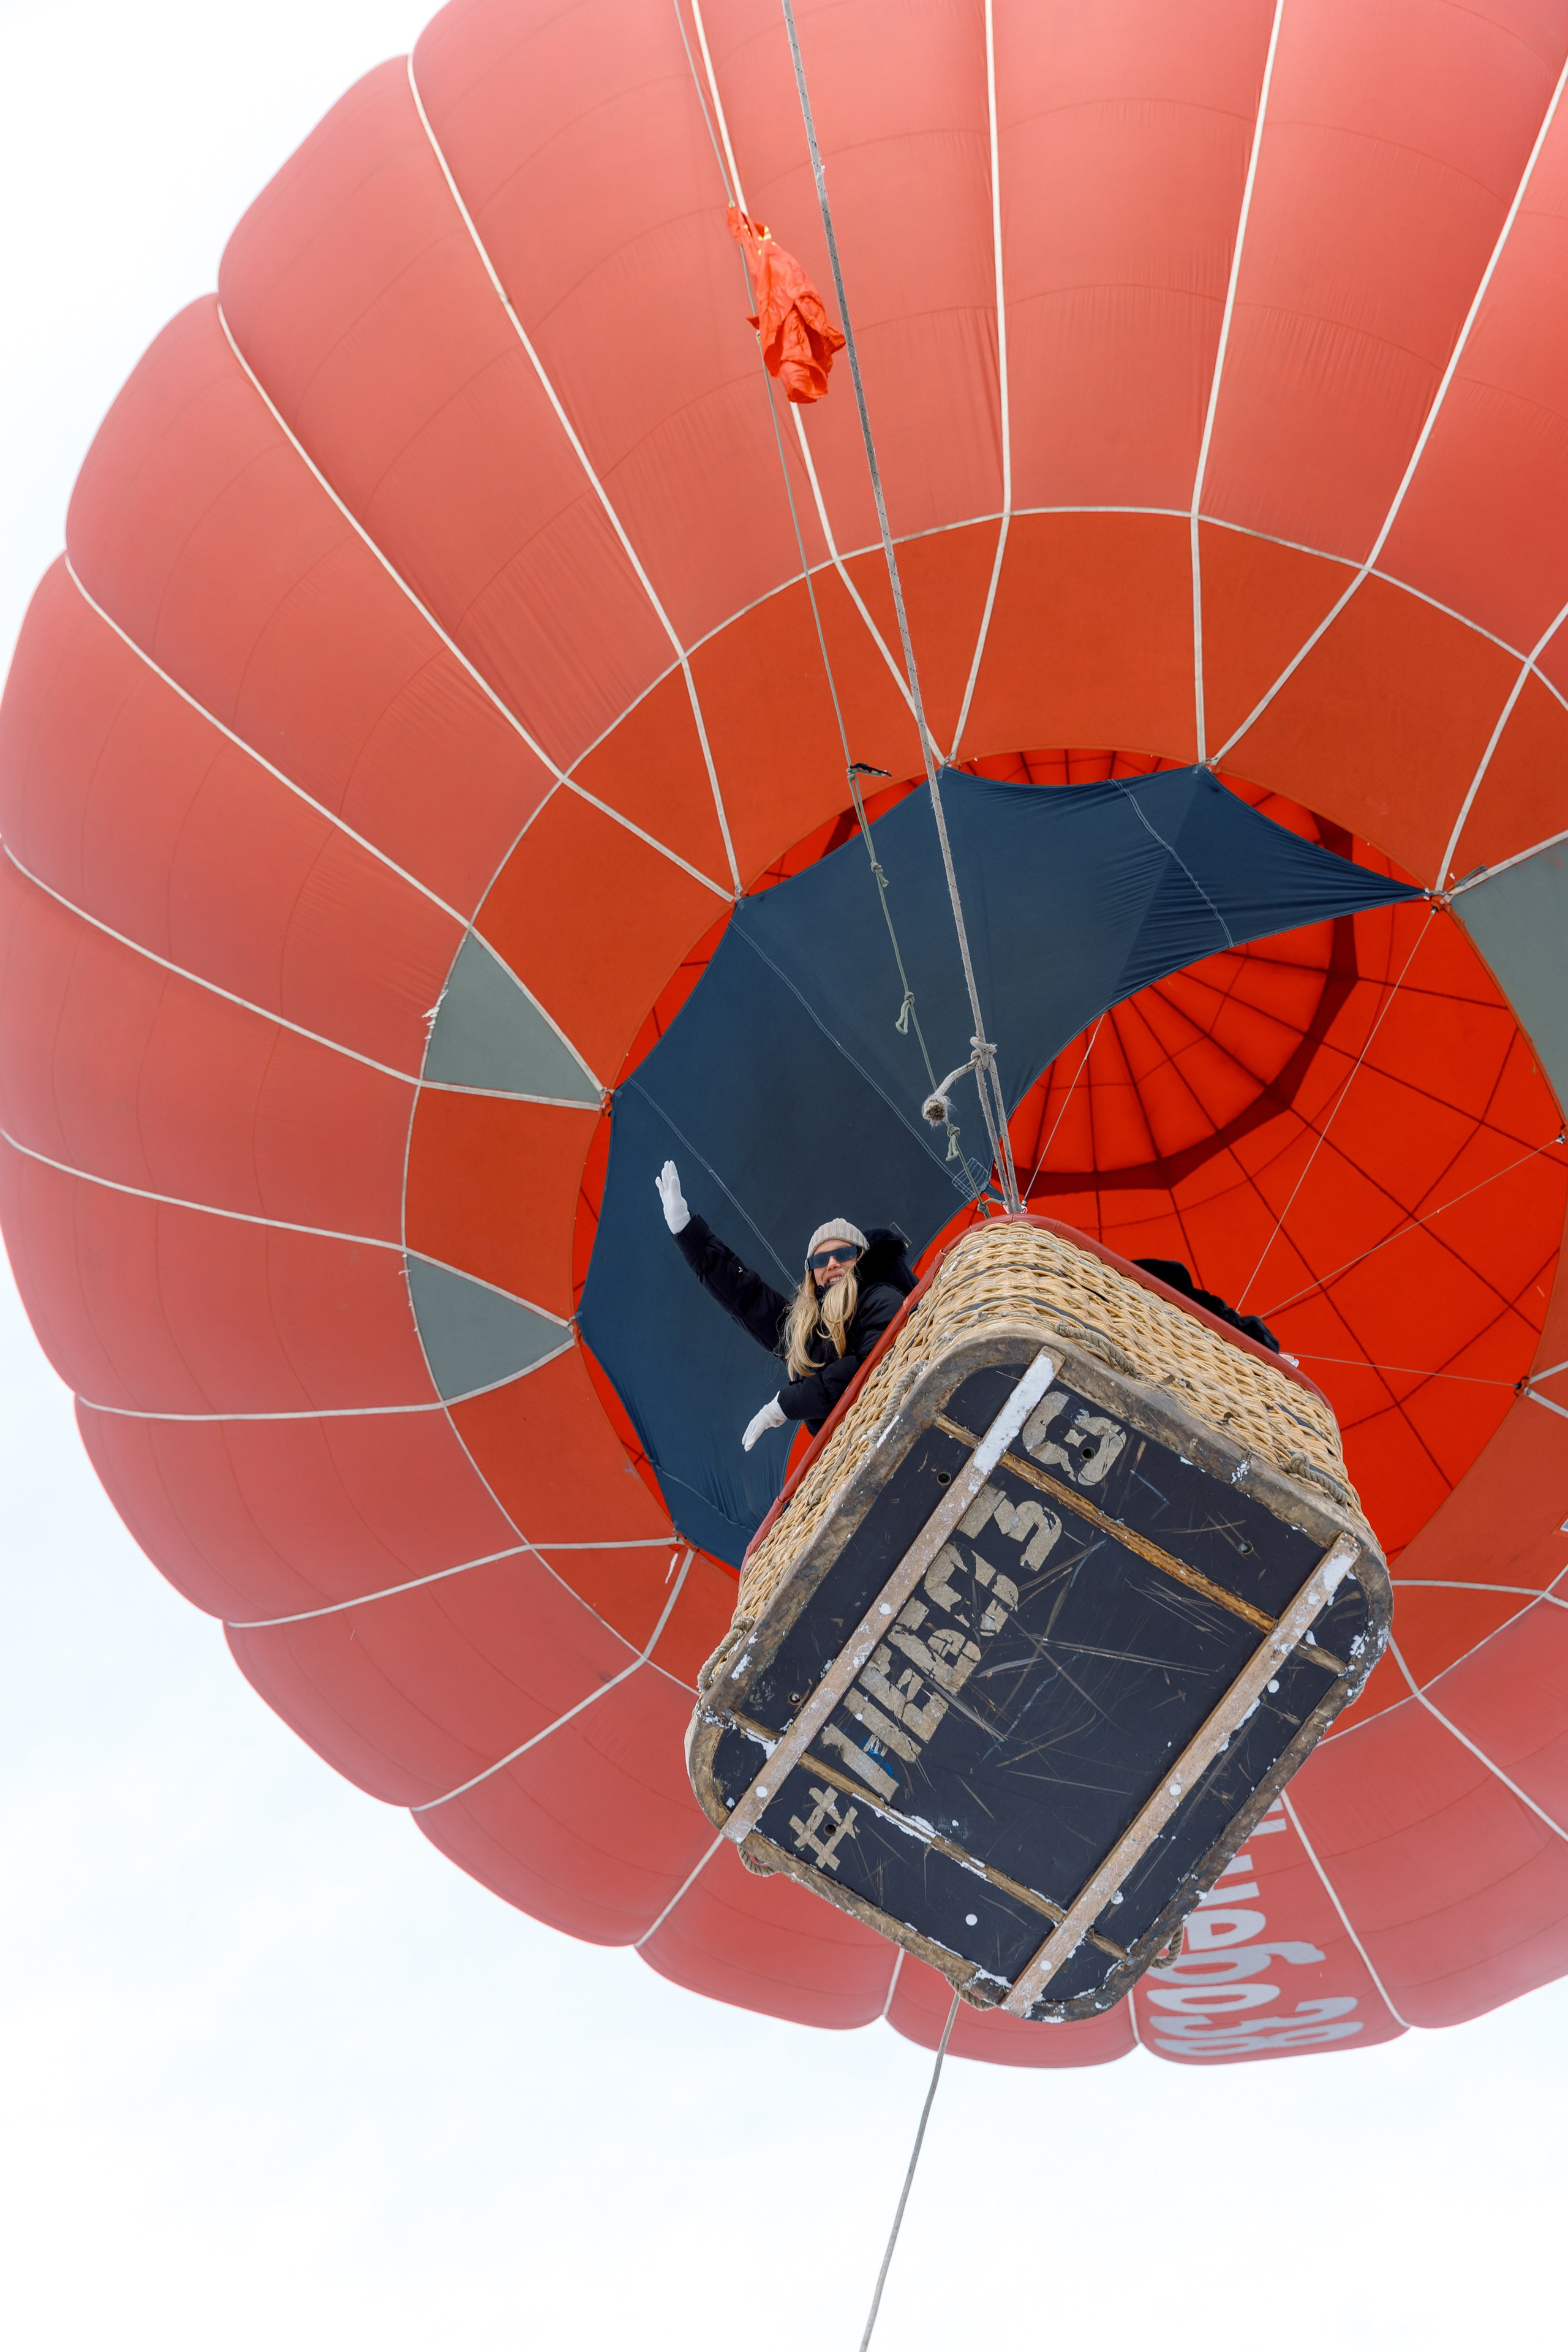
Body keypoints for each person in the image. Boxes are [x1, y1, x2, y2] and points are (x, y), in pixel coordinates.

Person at [654, 1161, 917, 1452]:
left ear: (860, 1256)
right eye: (819, 1261)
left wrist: (783, 1406)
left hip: (906, 1422)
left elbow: (869, 1368)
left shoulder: (880, 1296)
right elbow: (747, 1297)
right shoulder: (807, 1332)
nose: (831, 1264)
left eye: (842, 1253)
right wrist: (686, 1231)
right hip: (859, 1448)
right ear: (812, 1275)